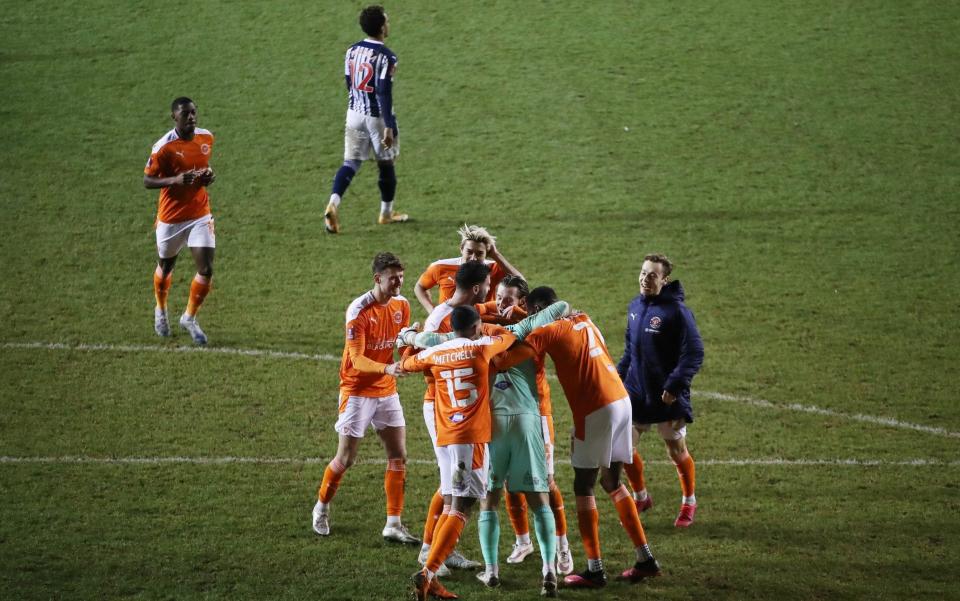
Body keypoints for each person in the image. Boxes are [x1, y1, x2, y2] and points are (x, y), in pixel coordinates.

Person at [403, 277, 572, 596]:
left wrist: (408, 335)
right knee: (521, 498)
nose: (503, 303)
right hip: (502, 428)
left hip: (459, 430)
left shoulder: (446, 347)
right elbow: (546, 318)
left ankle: (474, 567)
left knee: (472, 499)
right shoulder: (501, 338)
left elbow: (414, 357)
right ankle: (549, 564)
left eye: (509, 299)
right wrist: (506, 320)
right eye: (500, 298)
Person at [495, 286, 663, 588]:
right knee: (613, 483)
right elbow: (545, 321)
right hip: (621, 402)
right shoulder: (583, 318)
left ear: (537, 313)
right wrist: (523, 313)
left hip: (595, 411)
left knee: (582, 486)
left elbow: (509, 351)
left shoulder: (548, 331)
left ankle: (594, 569)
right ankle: (645, 558)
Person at [401, 305, 516, 601]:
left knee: (453, 498)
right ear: (476, 326)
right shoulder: (480, 348)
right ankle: (429, 572)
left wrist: (410, 339)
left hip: (447, 434)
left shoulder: (435, 353)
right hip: (473, 438)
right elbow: (507, 336)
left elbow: (407, 364)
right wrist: (491, 327)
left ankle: (430, 565)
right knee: (462, 507)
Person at [310, 252, 420, 545]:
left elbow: (399, 348)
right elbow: (357, 359)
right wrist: (389, 367)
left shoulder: (402, 305)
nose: (398, 281)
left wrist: (413, 347)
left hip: (386, 390)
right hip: (357, 391)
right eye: (392, 276)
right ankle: (321, 506)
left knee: (398, 456)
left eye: (401, 275)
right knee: (346, 458)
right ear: (377, 278)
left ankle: (393, 523)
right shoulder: (358, 311)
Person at [414, 261, 492, 574]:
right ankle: (431, 554)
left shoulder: (463, 313)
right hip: (442, 407)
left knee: (451, 482)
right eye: (487, 284)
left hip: (451, 406)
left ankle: (438, 548)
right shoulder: (440, 318)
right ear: (476, 287)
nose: (489, 288)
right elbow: (416, 360)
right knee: (454, 486)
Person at [617, 254, 704, 527]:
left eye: (652, 275)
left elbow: (694, 352)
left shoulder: (677, 312)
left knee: (676, 450)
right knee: (623, 449)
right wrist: (617, 379)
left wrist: (675, 385)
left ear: (664, 280)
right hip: (637, 392)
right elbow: (630, 350)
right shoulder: (635, 306)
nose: (645, 279)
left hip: (667, 395)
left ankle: (689, 501)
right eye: (643, 273)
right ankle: (641, 496)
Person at [324, 5, 408, 233]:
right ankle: (386, 214)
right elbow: (383, 92)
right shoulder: (388, 57)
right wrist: (389, 126)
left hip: (354, 113)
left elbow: (348, 82)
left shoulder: (351, 51)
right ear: (382, 27)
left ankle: (333, 202)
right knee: (386, 163)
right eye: (387, 21)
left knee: (350, 162)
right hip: (377, 118)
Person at [143, 96, 217, 345]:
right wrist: (173, 180)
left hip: (199, 214)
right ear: (174, 117)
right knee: (166, 267)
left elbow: (203, 168)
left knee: (206, 268)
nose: (191, 117)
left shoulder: (206, 138)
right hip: (171, 219)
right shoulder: (162, 148)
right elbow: (147, 180)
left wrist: (208, 176)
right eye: (185, 114)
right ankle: (161, 309)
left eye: (194, 112)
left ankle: (189, 317)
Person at [414, 224, 523, 313]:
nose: (473, 258)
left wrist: (496, 254)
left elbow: (521, 283)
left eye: (480, 253)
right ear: (461, 249)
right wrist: (431, 309)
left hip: (482, 327)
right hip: (448, 326)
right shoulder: (441, 267)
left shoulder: (493, 268)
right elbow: (419, 286)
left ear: (487, 253)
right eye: (469, 252)